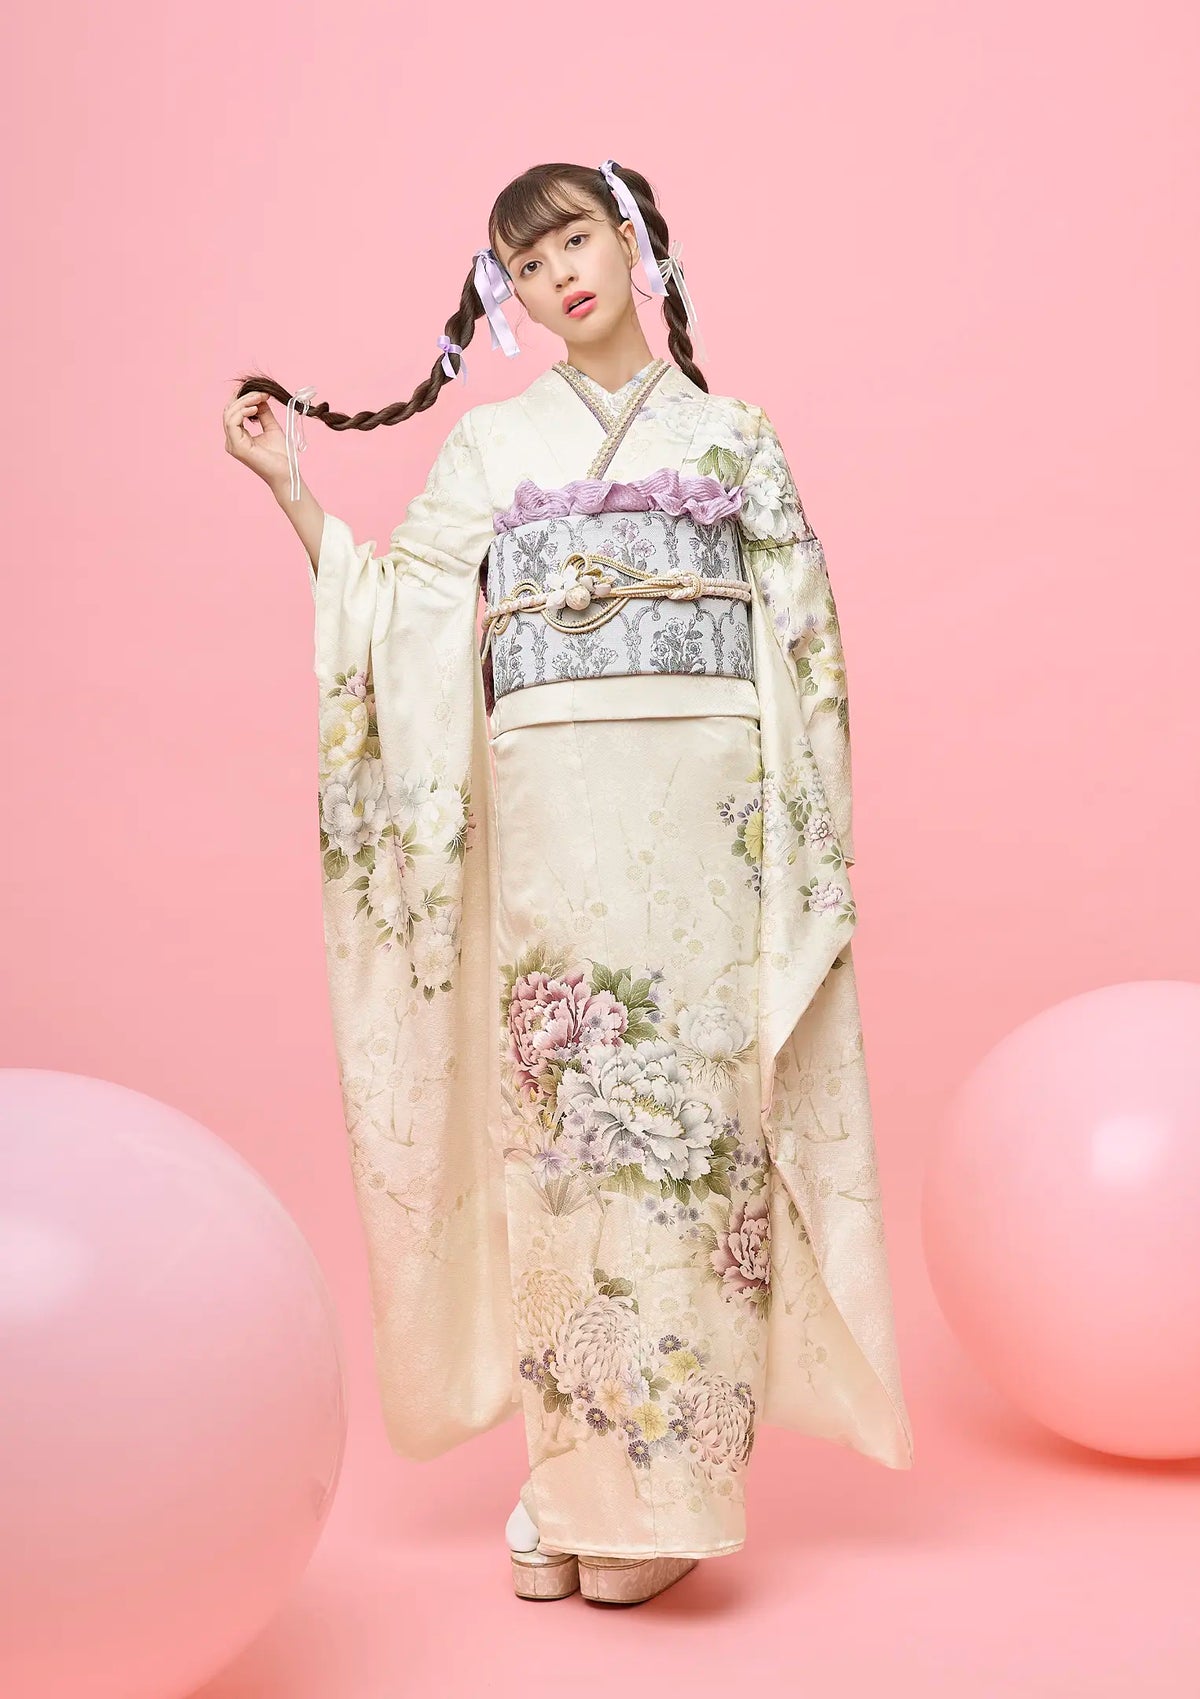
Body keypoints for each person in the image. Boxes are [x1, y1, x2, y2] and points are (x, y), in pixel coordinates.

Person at [223, 158, 914, 1608]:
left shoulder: (733, 436)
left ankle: (670, 1494)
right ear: (510, 298)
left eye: (577, 242)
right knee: (570, 1135)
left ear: (635, 242)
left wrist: (804, 844)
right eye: (527, 267)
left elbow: (811, 653)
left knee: (699, 1136)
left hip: (707, 819)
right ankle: (574, 1480)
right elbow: (401, 620)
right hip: (554, 828)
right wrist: (293, 490)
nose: (560, 279)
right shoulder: (492, 446)